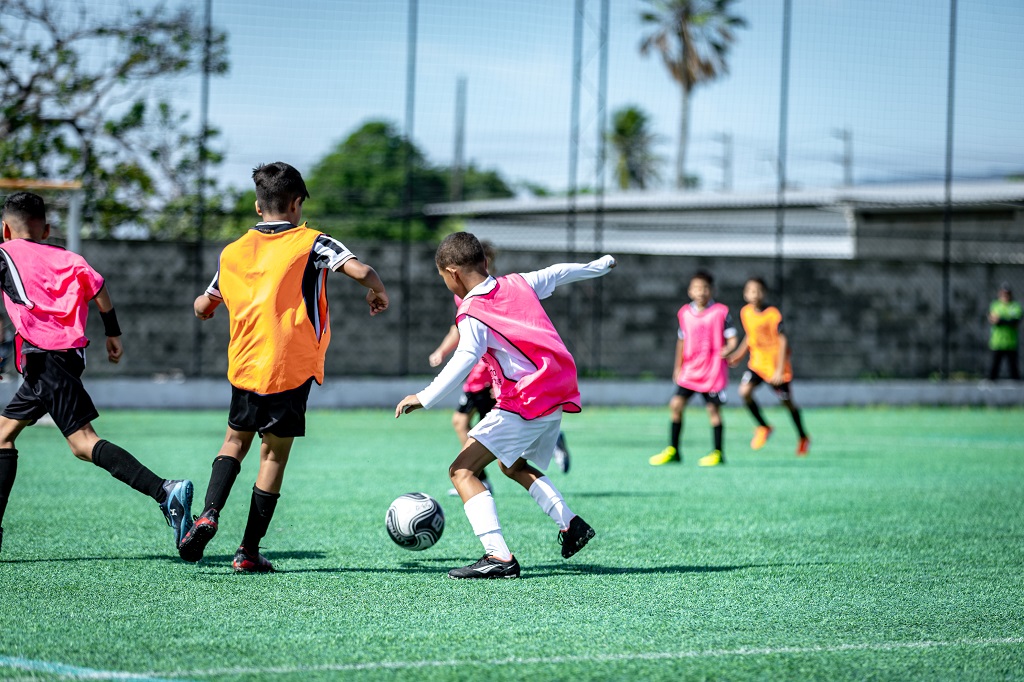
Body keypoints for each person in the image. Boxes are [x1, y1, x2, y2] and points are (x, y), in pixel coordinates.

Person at [178, 162, 389, 573]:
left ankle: (208, 513)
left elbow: (203, 304)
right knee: (272, 456)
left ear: (259, 207)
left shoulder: (233, 251)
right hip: (289, 367)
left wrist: (209, 308)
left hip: (245, 363)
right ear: (296, 204)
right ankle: (248, 552)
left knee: (233, 441)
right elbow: (362, 271)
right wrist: (377, 291)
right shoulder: (311, 242)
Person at [396, 232, 614, 579]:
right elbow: (558, 273)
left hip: (524, 402)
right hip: (554, 395)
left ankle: (498, 556)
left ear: (452, 272)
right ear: (484, 262)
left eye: (443, 279)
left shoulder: (471, 312)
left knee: (461, 471)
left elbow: (464, 359)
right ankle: (571, 525)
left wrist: (423, 397)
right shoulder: (518, 283)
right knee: (511, 466)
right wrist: (597, 266)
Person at [0, 192, 194, 557]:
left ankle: (166, 492)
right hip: (66, 356)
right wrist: (113, 334)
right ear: (47, 228)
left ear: (5, 229)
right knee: (4, 435)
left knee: (83, 442)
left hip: (45, 358)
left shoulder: (4, 253)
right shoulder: (70, 258)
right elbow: (101, 291)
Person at [428, 242, 571, 496]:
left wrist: (425, 397)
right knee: (475, 434)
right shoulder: (462, 296)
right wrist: (442, 350)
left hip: (488, 375)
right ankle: (478, 477)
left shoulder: (502, 289)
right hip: (478, 376)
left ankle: (478, 479)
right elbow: (459, 330)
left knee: (501, 455)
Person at [649, 270, 738, 468]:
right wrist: (677, 367)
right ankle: (673, 450)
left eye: (705, 288)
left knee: (713, 410)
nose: (701, 292)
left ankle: (717, 452)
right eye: (697, 288)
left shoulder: (721, 312)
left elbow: (732, 338)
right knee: (676, 405)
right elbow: (681, 341)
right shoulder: (684, 313)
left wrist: (730, 348)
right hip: (691, 370)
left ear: (712, 290)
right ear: (690, 291)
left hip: (712, 371)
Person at [727, 277, 810, 456]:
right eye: (751, 291)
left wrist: (780, 370)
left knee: (787, 403)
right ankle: (764, 426)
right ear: (745, 294)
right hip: (757, 364)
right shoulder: (745, 312)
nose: (754, 294)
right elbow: (750, 336)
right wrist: (739, 356)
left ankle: (803, 436)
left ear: (764, 293)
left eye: (758, 291)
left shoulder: (772, 314)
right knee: (744, 392)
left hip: (775, 367)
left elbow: (783, 341)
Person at [988, 282, 1021, 380]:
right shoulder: (995, 305)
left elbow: (1015, 322)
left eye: (1007, 293)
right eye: (1003, 293)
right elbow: (993, 320)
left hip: (1011, 342)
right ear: (1000, 293)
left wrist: (1001, 320)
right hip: (997, 342)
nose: (1005, 296)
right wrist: (1007, 321)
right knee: (994, 368)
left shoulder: (1015, 306)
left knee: (1013, 369)